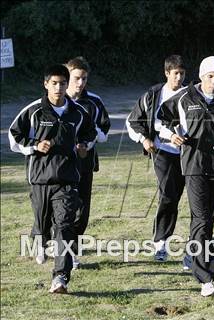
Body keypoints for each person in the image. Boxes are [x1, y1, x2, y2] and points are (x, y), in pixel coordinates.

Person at [157, 56, 214, 296]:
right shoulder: (184, 97)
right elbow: (160, 120)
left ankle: (193, 251)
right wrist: (171, 135)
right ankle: (206, 279)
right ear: (201, 77)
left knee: (208, 218)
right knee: (201, 218)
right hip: (194, 165)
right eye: (210, 76)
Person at [8, 64, 96, 293]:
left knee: (64, 225)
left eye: (62, 83)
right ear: (46, 84)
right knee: (42, 224)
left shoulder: (77, 112)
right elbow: (13, 137)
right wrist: (35, 146)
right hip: (39, 179)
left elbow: (90, 132)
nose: (58, 88)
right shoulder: (34, 111)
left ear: (68, 85)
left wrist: (84, 145)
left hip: (67, 179)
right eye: (54, 83)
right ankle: (39, 240)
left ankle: (60, 277)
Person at [126, 55, 186, 262]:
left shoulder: (191, 95)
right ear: (167, 73)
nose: (179, 78)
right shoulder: (153, 95)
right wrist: (144, 139)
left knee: (181, 197)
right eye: (175, 73)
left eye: (182, 73)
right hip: (162, 151)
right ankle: (161, 242)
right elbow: (132, 121)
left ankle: (199, 243)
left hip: (188, 154)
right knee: (167, 194)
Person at [66, 56, 111, 269]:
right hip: (58, 166)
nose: (80, 83)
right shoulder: (54, 100)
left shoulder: (94, 101)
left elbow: (103, 129)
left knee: (81, 211)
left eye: (84, 78)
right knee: (58, 208)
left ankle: (72, 252)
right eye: (76, 78)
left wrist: (88, 143)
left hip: (84, 163)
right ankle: (47, 241)